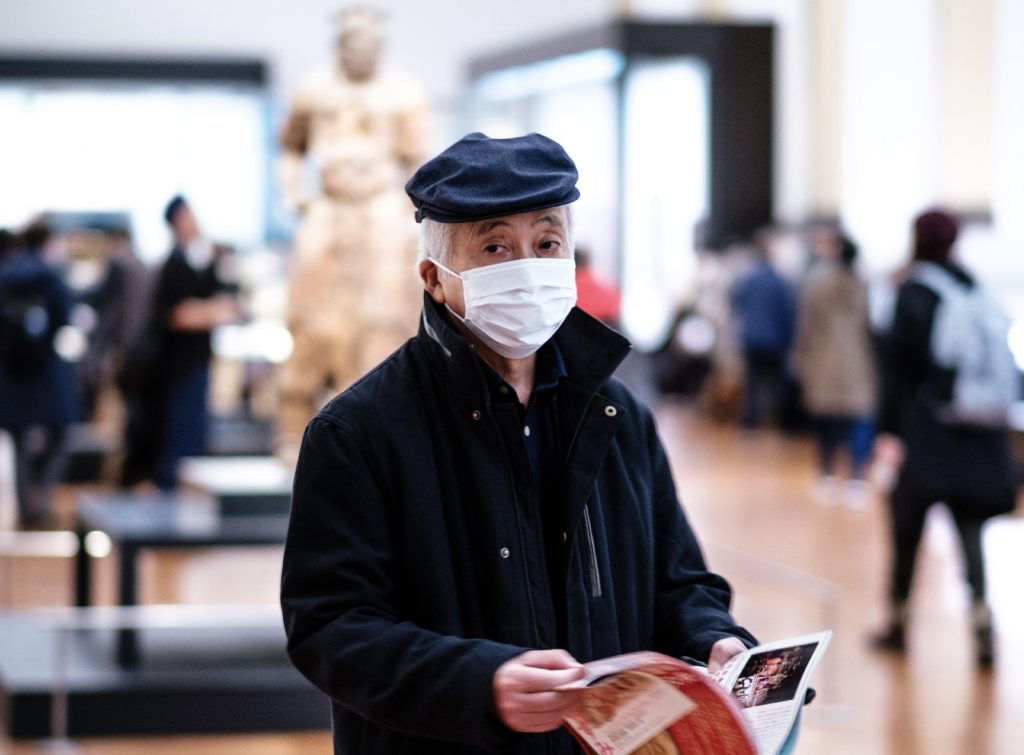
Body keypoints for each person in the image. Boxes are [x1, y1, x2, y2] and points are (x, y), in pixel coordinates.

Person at [280, 132, 757, 754]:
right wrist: (480, 683)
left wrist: (713, 638)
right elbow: (332, 627)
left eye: (547, 243)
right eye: (495, 247)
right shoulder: (359, 433)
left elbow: (679, 578)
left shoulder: (617, 416)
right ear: (434, 278)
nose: (527, 267)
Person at [275, 5, 429, 460]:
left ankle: (376, 428)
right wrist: (294, 193)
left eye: (367, 42)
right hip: (329, 205)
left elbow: (419, 159)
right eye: (350, 42)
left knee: (384, 312)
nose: (359, 50)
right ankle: (293, 424)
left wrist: (410, 209)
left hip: (382, 208)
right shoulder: (314, 88)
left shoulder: (404, 92)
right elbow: (290, 146)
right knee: (308, 309)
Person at [871, 208, 1017, 667]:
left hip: (924, 430)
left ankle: (898, 622)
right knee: (970, 532)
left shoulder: (911, 292)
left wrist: (887, 432)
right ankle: (981, 618)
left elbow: (896, 373)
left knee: (907, 531)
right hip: (974, 433)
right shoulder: (973, 287)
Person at [150, 196, 240, 490]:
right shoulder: (175, 264)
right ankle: (170, 496)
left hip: (196, 361)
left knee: (193, 433)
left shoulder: (200, 259)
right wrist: (212, 312)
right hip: (180, 366)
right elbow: (176, 314)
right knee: (181, 437)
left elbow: (228, 303)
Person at [0, 221, 80, 525]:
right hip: (45, 370)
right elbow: (65, 316)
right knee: (60, 433)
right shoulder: (50, 275)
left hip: (11, 373)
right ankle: (41, 499)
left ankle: (25, 508)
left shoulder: (6, 274)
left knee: (19, 442)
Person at [791, 228, 877, 507]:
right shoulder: (863, 282)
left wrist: (800, 357)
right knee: (856, 420)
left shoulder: (816, 283)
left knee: (827, 421)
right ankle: (856, 477)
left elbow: (805, 325)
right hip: (858, 362)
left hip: (824, 358)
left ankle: (826, 473)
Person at [731, 235, 796, 430]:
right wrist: (789, 338)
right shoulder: (779, 281)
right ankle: (781, 424)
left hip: (751, 338)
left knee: (753, 383)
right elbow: (786, 312)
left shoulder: (748, 279)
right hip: (774, 339)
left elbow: (737, 304)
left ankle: (750, 423)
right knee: (777, 383)